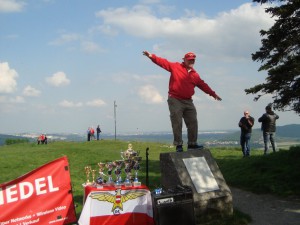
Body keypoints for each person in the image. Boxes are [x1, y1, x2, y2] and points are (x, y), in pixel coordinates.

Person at [143, 51, 222, 152]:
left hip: (188, 101)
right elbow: (163, 62)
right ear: (184, 60)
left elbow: (203, 85)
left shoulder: (195, 75)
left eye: (193, 60)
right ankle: (178, 145)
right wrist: (151, 56)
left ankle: (192, 144)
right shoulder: (176, 67)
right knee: (177, 121)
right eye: (189, 60)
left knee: (193, 121)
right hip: (175, 99)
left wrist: (213, 94)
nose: (191, 61)